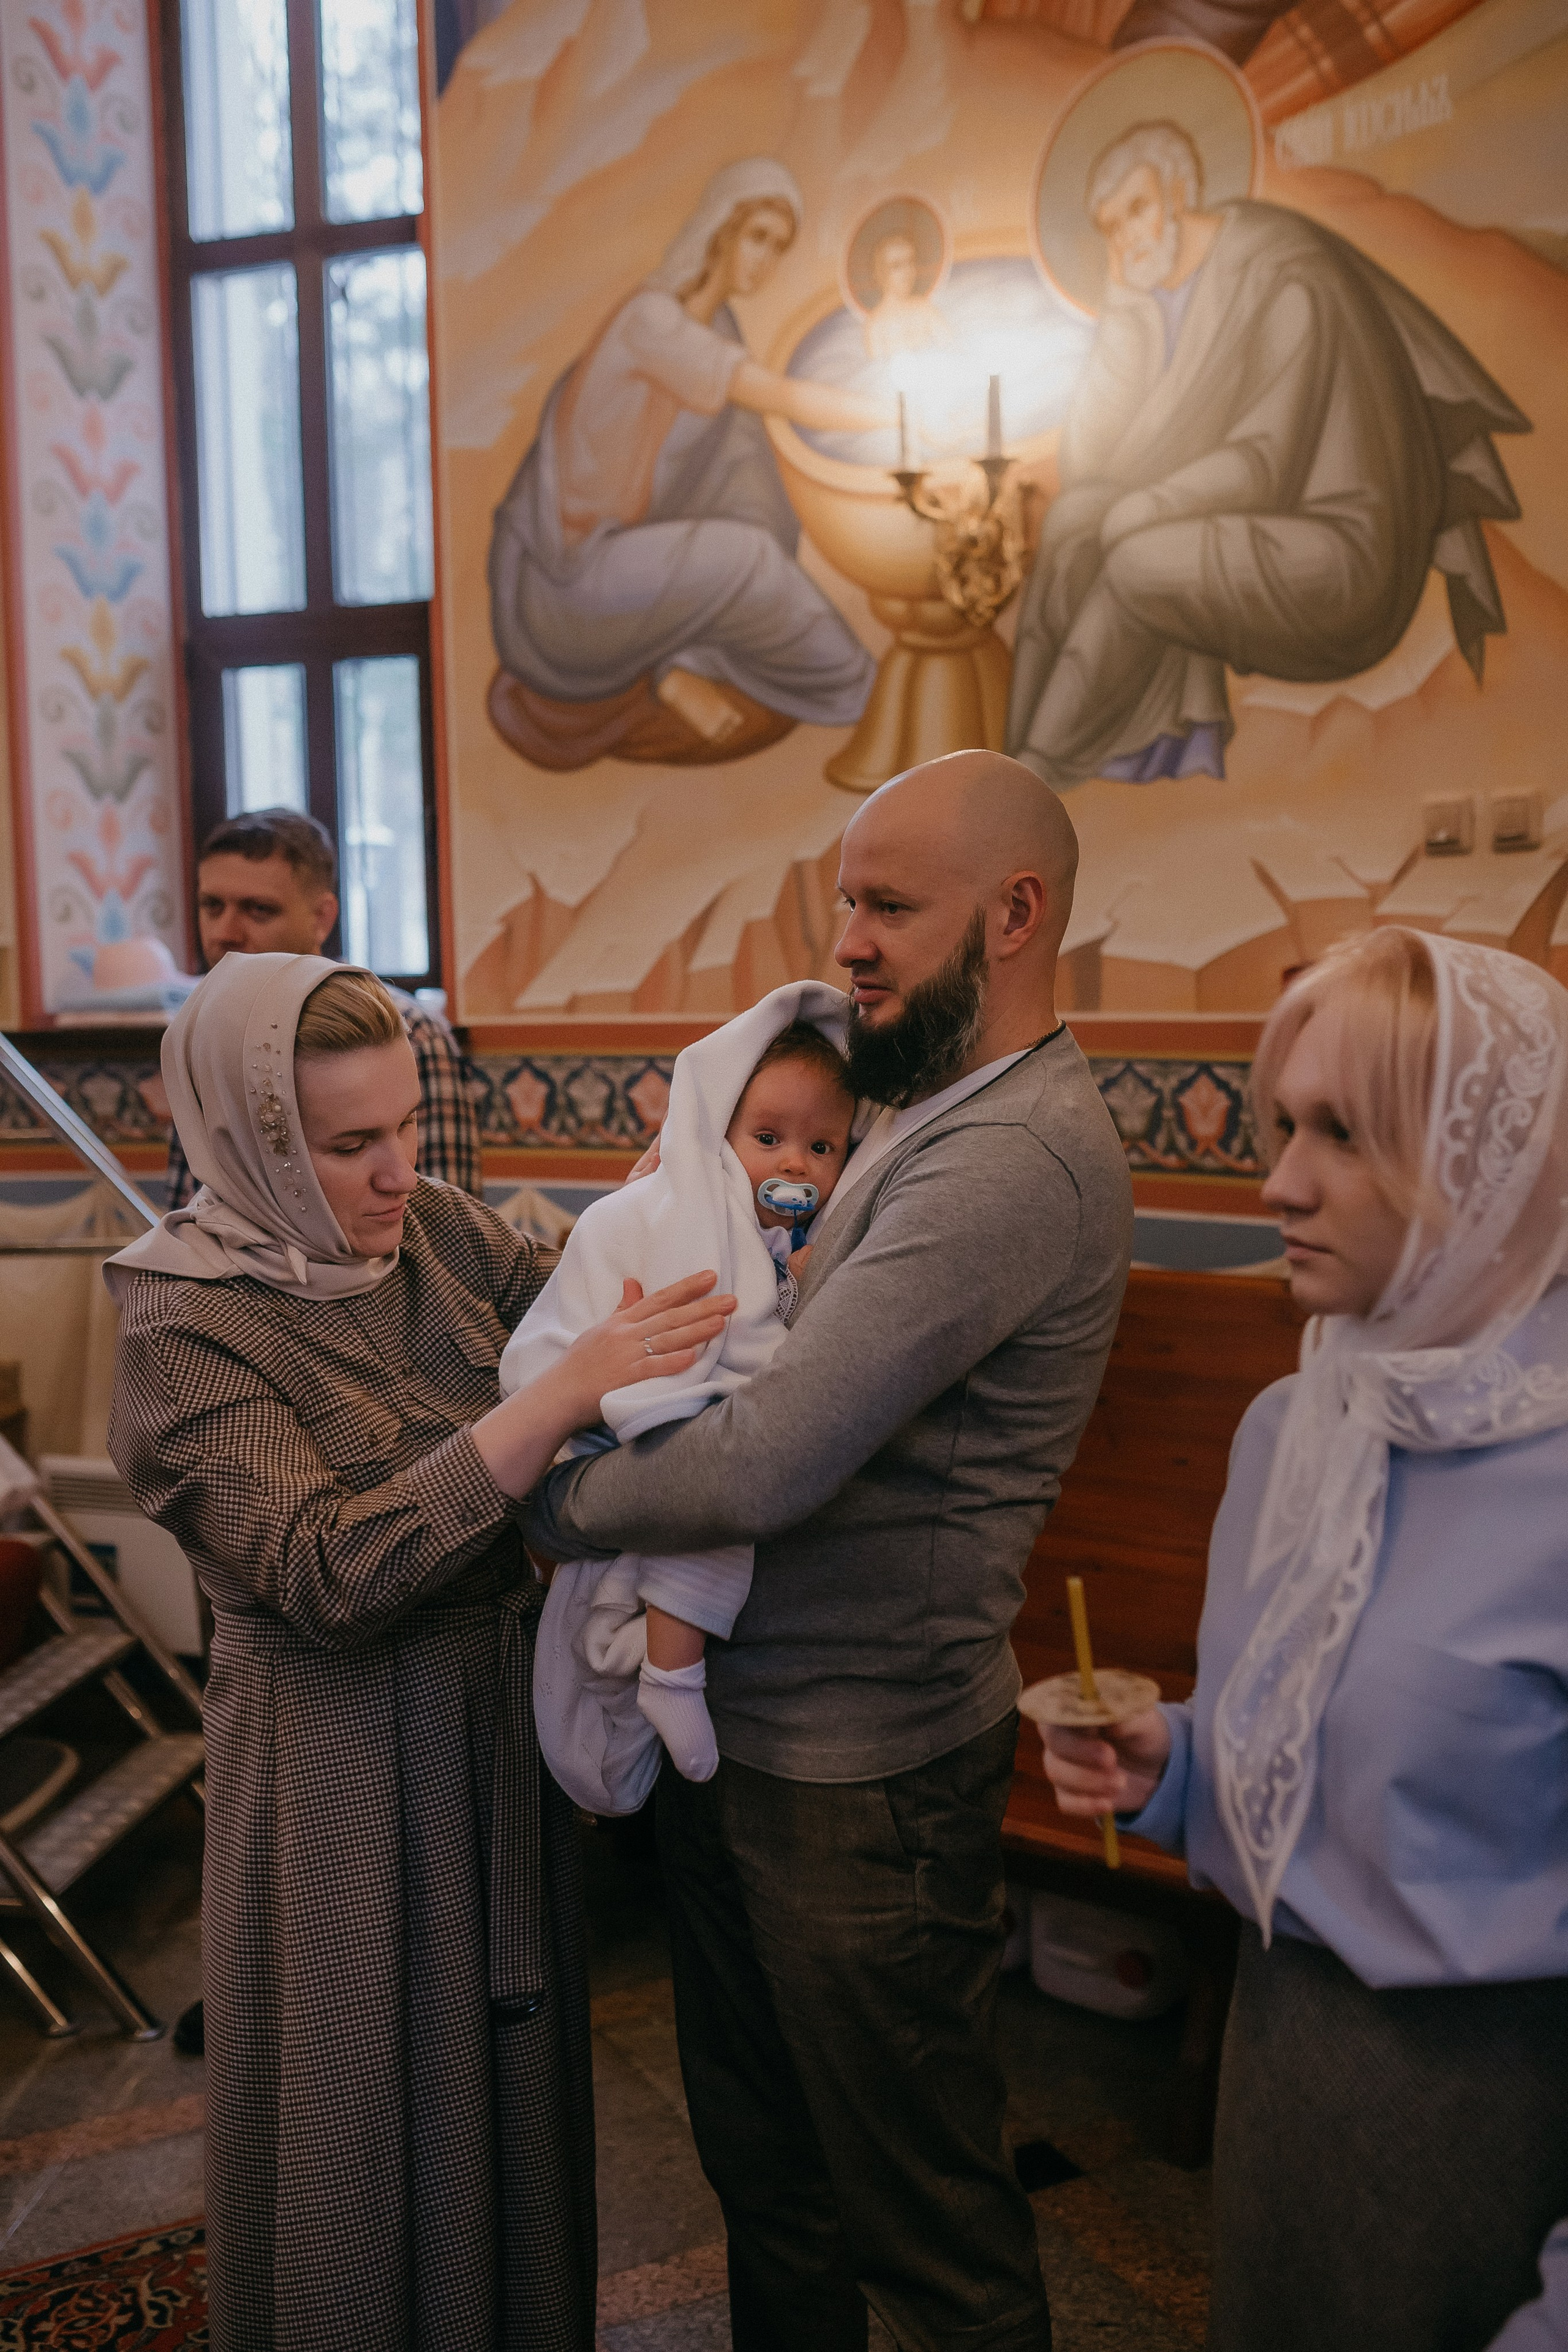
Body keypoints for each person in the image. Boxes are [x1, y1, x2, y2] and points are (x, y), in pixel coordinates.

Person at [524, 748, 1134, 2351]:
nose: (846, 941)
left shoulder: (1009, 1155)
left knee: (919, 2226)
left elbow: (772, 1454)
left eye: (888, 906)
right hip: (763, 1736)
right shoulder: (923, 1104)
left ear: (1014, 913)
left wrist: (544, 1495)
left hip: (862, 1774)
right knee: (769, 2177)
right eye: (845, 900)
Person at [104, 952, 733, 2352]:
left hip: (490, 1736)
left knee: (509, 2093)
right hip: (337, 1770)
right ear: (251, 1142)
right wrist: (550, 1402)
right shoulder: (182, 1317)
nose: (398, 1172)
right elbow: (325, 1571)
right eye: (348, 1145)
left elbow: (588, 1302)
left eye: (404, 1126)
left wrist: (656, 1214)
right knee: (362, 2113)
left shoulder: (438, 1231)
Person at [1041, 925, 1568, 2352]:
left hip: (1489, 2117)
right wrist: (1169, 1766)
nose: (1277, 1179)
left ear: (1483, 1161)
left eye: (1341, 1132)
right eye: (1282, 1125)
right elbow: (1302, 1762)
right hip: (1278, 2057)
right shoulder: (1294, 1426)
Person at [1006, 121, 1528, 788]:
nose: (1128, 237)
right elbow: (1092, 463)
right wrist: (1125, 313)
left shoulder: (1286, 278)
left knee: (1134, 561)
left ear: (1180, 190)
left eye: (1137, 208)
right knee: (1071, 518)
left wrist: (1144, 507)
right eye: (1111, 227)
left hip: (1342, 556)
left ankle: (1038, 777)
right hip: (1260, 527)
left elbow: (1263, 462)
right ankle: (1011, 763)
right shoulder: (1166, 293)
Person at [502, 991, 856, 1796]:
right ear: (717, 1132)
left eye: (822, 1146)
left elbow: (763, 1332)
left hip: (656, 1416)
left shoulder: (774, 1235)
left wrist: (795, 1278)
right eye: (768, 1139)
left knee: (732, 1485)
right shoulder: (686, 1208)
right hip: (611, 1417)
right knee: (719, 1498)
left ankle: (648, 1651)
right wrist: (787, 1294)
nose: (795, 1164)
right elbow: (725, 1329)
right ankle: (671, 1671)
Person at [488, 157, 889, 769]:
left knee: (753, 548)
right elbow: (779, 397)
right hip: (567, 582)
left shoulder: (717, 329)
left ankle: (677, 668)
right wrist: (898, 413)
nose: (765, 259)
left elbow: (739, 467)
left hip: (631, 563)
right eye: (757, 237)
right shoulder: (651, 321)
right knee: (751, 560)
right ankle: (872, 699)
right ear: (721, 230)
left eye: (778, 248)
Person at [167, 808, 481, 1207]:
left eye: (258, 910)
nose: (225, 932)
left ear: (321, 918)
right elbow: (189, 1209)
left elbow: (447, 1221)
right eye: (212, 906)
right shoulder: (203, 1034)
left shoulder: (406, 1030)